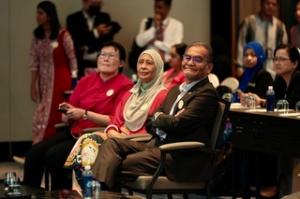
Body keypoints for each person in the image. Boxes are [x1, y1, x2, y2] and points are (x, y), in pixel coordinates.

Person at [91, 42, 219, 190]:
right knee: (111, 143)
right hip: (157, 146)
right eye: (187, 57)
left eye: (197, 59)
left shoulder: (206, 93)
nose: (190, 62)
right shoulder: (175, 90)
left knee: (116, 162)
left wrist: (162, 118)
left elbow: (178, 124)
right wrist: (163, 119)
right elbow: (151, 122)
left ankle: (98, 192)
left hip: (179, 156)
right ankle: (99, 192)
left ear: (209, 67)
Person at [23, 41, 133, 190]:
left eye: (111, 56)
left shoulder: (125, 85)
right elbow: (71, 108)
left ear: (121, 63)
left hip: (95, 136)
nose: (105, 59)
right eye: (102, 55)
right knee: (33, 154)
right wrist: (67, 112)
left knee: (55, 156)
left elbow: (115, 120)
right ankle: (29, 194)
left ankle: (62, 195)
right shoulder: (86, 80)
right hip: (74, 131)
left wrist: (85, 114)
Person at [64, 49, 168, 186]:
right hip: (118, 138)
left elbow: (152, 129)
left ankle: (91, 190)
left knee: (91, 140)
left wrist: (124, 136)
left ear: (158, 68)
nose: (143, 66)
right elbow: (116, 120)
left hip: (139, 141)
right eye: (140, 62)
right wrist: (113, 131)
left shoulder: (162, 95)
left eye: (149, 63)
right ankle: (85, 191)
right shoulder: (132, 93)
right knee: (88, 141)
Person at [29, 1, 78, 144]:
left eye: (40, 13)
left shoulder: (63, 34)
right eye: (37, 13)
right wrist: (33, 84)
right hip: (44, 80)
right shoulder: (37, 35)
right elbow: (33, 62)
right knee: (42, 112)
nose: (37, 16)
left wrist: (74, 83)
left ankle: (46, 145)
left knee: (54, 113)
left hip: (61, 80)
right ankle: (37, 146)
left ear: (49, 15)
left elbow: (72, 59)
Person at [67, 0, 121, 78]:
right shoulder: (73, 19)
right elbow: (76, 40)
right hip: (80, 64)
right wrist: (96, 33)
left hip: (100, 63)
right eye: (94, 3)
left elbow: (108, 38)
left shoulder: (104, 17)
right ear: (84, 2)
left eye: (99, 3)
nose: (96, 6)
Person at [237, 0, 288, 79]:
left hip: (272, 69)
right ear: (261, 4)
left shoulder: (280, 26)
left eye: (274, 4)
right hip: (251, 67)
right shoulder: (250, 22)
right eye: (267, 3)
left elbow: (284, 50)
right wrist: (240, 67)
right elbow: (241, 45)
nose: (270, 6)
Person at [133, 0, 183, 66]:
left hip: (167, 64)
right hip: (148, 63)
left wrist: (155, 43)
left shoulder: (177, 25)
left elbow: (175, 49)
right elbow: (139, 42)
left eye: (160, 7)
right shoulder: (146, 22)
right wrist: (154, 27)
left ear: (168, 8)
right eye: (155, 7)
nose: (156, 10)